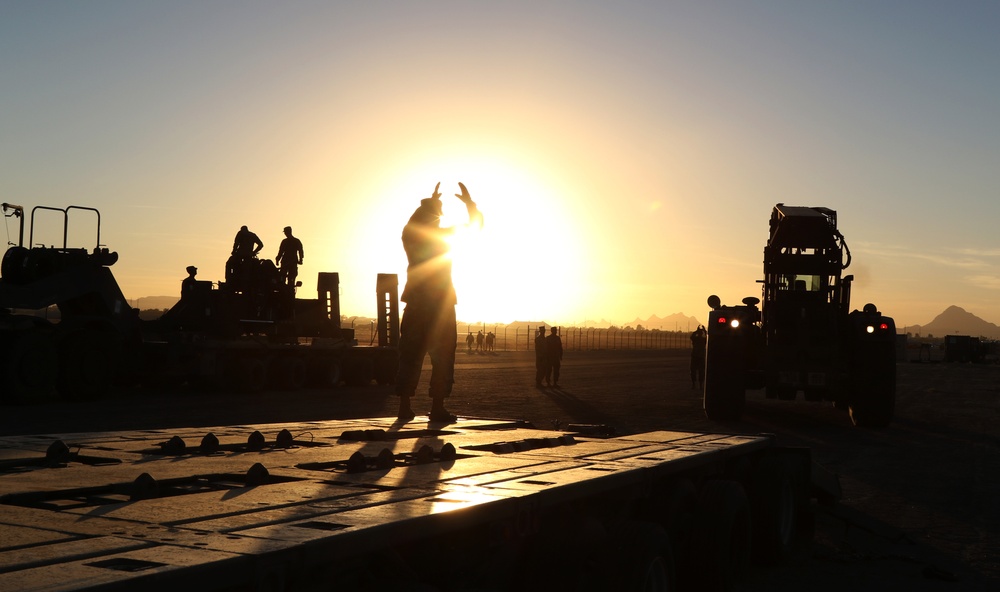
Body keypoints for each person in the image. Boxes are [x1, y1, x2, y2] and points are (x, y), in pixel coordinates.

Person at [395, 182, 483, 423]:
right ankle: (437, 407)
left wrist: (428, 203)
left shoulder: (410, 237)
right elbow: (475, 226)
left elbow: (411, 224)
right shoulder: (444, 235)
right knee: (443, 356)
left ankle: (404, 406)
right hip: (440, 307)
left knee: (410, 355)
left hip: (415, 304)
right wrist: (469, 204)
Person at [690, 325, 707, 390]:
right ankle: (697, 385)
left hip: (698, 357)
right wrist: (704, 330)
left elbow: (692, 336)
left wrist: (698, 331)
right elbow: (692, 337)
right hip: (697, 357)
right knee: (695, 371)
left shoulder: (700, 340)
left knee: (699, 372)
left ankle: (698, 385)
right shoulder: (700, 340)